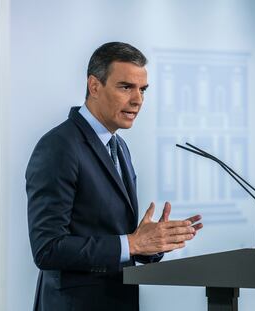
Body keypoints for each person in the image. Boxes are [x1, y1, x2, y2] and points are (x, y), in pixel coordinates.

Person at [26, 42, 203, 311]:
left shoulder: (119, 147)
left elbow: (115, 237)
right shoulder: (59, 146)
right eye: (125, 87)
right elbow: (48, 248)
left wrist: (149, 242)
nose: (138, 100)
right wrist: (131, 243)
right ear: (94, 85)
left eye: (142, 90)